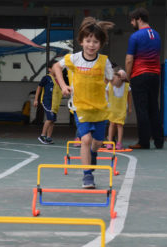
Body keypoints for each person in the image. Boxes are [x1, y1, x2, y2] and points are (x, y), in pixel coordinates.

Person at [54, 17, 115, 190]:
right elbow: (56, 67)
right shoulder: (74, 59)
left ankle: (93, 154)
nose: (91, 45)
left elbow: (110, 79)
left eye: (95, 41)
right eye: (88, 41)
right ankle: (87, 175)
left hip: (100, 108)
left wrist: (114, 82)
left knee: (97, 142)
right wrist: (64, 85)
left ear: (100, 44)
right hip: (80, 107)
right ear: (81, 41)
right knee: (86, 140)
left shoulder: (104, 62)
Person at [125, 8, 164, 150]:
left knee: (142, 109)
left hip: (139, 76)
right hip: (155, 76)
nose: (131, 23)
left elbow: (129, 60)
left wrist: (128, 77)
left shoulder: (135, 37)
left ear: (138, 19)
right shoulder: (157, 35)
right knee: (154, 108)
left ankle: (144, 142)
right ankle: (159, 141)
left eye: (132, 20)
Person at [36, 57, 63, 145]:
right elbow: (39, 87)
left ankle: (48, 137)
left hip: (55, 103)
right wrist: (36, 99)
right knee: (49, 118)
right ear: (50, 69)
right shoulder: (46, 78)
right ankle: (42, 135)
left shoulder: (59, 79)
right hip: (47, 102)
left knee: (52, 120)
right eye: (55, 67)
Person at [106, 68, 132, 150]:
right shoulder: (110, 85)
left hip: (121, 108)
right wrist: (106, 104)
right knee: (112, 124)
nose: (113, 80)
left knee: (120, 125)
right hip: (112, 107)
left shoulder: (126, 86)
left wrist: (130, 107)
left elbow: (129, 97)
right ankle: (110, 142)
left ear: (121, 79)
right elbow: (107, 94)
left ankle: (119, 143)